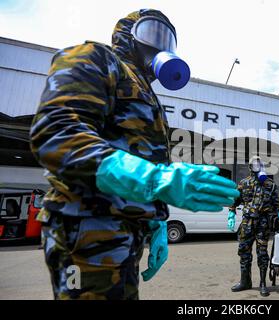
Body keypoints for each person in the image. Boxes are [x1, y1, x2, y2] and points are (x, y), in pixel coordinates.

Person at [30, 9, 239, 300]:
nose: (160, 45)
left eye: (168, 40)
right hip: (85, 231)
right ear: (127, 34)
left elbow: (140, 156)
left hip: (125, 233)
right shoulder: (94, 58)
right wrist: (154, 180)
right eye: (152, 33)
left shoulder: (147, 94)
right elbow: (56, 134)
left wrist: (155, 220)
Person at [227, 156, 279, 297]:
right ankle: (245, 282)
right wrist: (231, 214)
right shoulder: (243, 183)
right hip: (247, 222)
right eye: (254, 164)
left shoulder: (270, 184)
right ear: (250, 167)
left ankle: (263, 283)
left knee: (262, 253)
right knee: (244, 251)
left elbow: (277, 205)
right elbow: (235, 200)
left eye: (259, 164)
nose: (257, 166)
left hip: (263, 223)